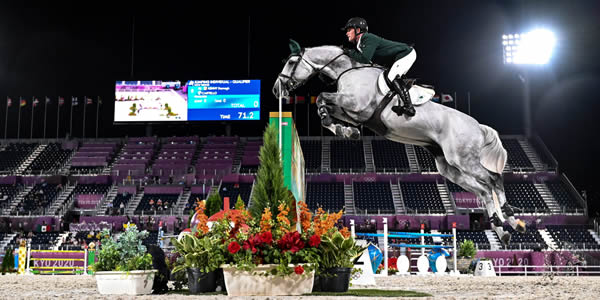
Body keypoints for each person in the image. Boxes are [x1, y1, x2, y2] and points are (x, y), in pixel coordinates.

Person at [342, 17, 417, 116]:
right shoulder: (360, 44)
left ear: (358, 30)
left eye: (349, 30)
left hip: (406, 54)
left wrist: (349, 52)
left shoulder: (367, 38)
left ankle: (409, 107)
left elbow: (364, 59)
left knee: (392, 77)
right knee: (386, 78)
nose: (347, 33)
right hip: (396, 59)